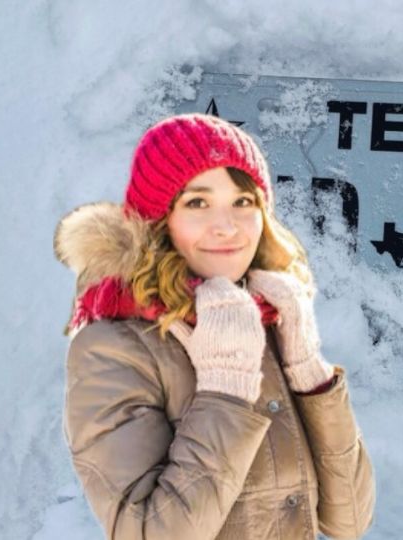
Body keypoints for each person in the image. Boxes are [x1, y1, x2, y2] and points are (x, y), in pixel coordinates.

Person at [53, 113, 375, 539]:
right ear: (158, 219)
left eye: (243, 202)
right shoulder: (113, 348)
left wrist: (307, 370)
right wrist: (224, 393)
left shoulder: (265, 319)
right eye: (197, 203)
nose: (227, 226)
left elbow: (348, 520)